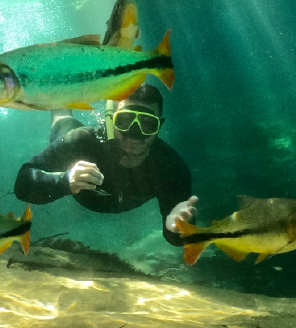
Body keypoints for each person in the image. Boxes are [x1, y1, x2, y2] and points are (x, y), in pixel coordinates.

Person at [14, 84, 197, 245]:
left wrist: (179, 228)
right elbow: (22, 183)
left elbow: (177, 239)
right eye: (125, 120)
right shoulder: (82, 142)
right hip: (75, 140)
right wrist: (65, 180)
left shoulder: (170, 168)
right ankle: (61, 94)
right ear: (111, 119)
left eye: (147, 124)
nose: (134, 133)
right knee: (62, 119)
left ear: (160, 126)